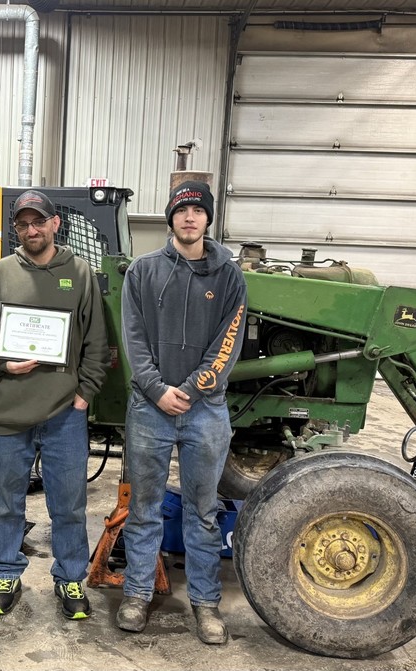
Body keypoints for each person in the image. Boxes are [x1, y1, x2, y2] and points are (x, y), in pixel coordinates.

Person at [0, 190, 110, 620]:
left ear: (54, 224)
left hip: (65, 411)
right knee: (6, 501)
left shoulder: (79, 273)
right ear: (17, 230)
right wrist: (0, 361)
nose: (31, 230)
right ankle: (5, 573)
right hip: (9, 409)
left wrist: (85, 393)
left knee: (68, 503)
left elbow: (97, 343)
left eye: (38, 222)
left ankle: (69, 579)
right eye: (23, 224)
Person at [116, 180, 247, 643]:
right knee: (145, 508)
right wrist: (156, 389)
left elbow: (226, 345)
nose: (189, 217)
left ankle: (206, 605)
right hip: (150, 408)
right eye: (181, 209)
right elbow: (132, 338)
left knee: (203, 510)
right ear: (170, 218)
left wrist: (189, 390)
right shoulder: (143, 271)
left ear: (208, 218)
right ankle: (136, 594)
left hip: (205, 410)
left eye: (198, 210)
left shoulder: (230, 276)